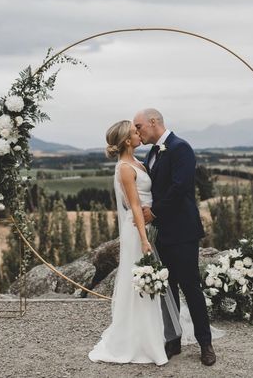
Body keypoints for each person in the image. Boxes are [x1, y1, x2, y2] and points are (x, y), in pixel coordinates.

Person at [88, 119, 180, 366]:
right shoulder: (125, 169)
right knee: (140, 282)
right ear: (127, 141)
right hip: (138, 229)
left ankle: (156, 332)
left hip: (149, 226)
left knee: (149, 280)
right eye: (134, 132)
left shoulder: (137, 162)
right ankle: (141, 339)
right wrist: (143, 238)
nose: (139, 134)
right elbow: (135, 205)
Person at [133, 108, 218, 366]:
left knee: (191, 287)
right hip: (161, 234)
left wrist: (153, 212)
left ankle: (205, 343)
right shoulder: (152, 153)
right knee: (165, 289)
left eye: (139, 127)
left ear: (154, 122)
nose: (137, 132)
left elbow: (180, 187)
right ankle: (173, 341)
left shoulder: (181, 148)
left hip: (182, 232)